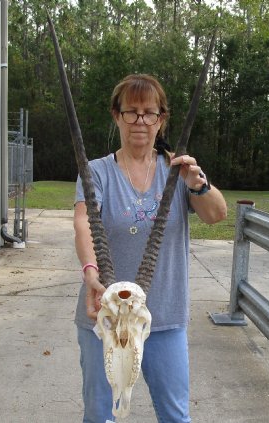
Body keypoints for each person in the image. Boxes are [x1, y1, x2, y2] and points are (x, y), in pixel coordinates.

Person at [73, 74, 227, 423]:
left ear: (162, 119)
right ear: (116, 116)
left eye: (149, 112)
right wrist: (90, 272)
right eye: (131, 112)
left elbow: (217, 215)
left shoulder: (179, 169)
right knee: (99, 416)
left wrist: (198, 184)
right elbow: (84, 222)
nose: (140, 121)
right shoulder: (97, 171)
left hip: (164, 317)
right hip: (105, 317)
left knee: (175, 416)